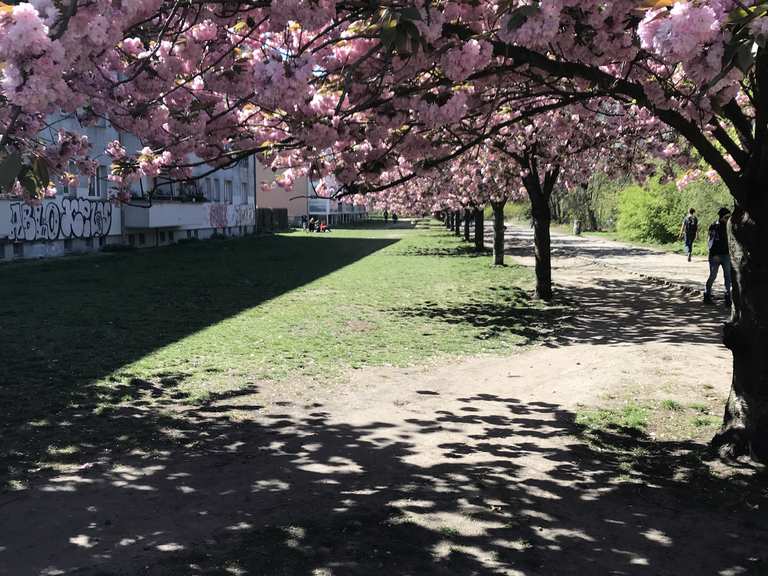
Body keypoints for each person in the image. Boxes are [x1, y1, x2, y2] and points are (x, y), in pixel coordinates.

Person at [704, 207, 732, 306]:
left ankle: (728, 297)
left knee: (728, 277)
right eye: (726, 217)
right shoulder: (714, 226)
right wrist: (714, 254)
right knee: (713, 276)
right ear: (721, 217)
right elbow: (710, 242)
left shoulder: (730, 225)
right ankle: (707, 295)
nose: (728, 218)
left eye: (729, 216)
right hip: (715, 256)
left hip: (726, 255)